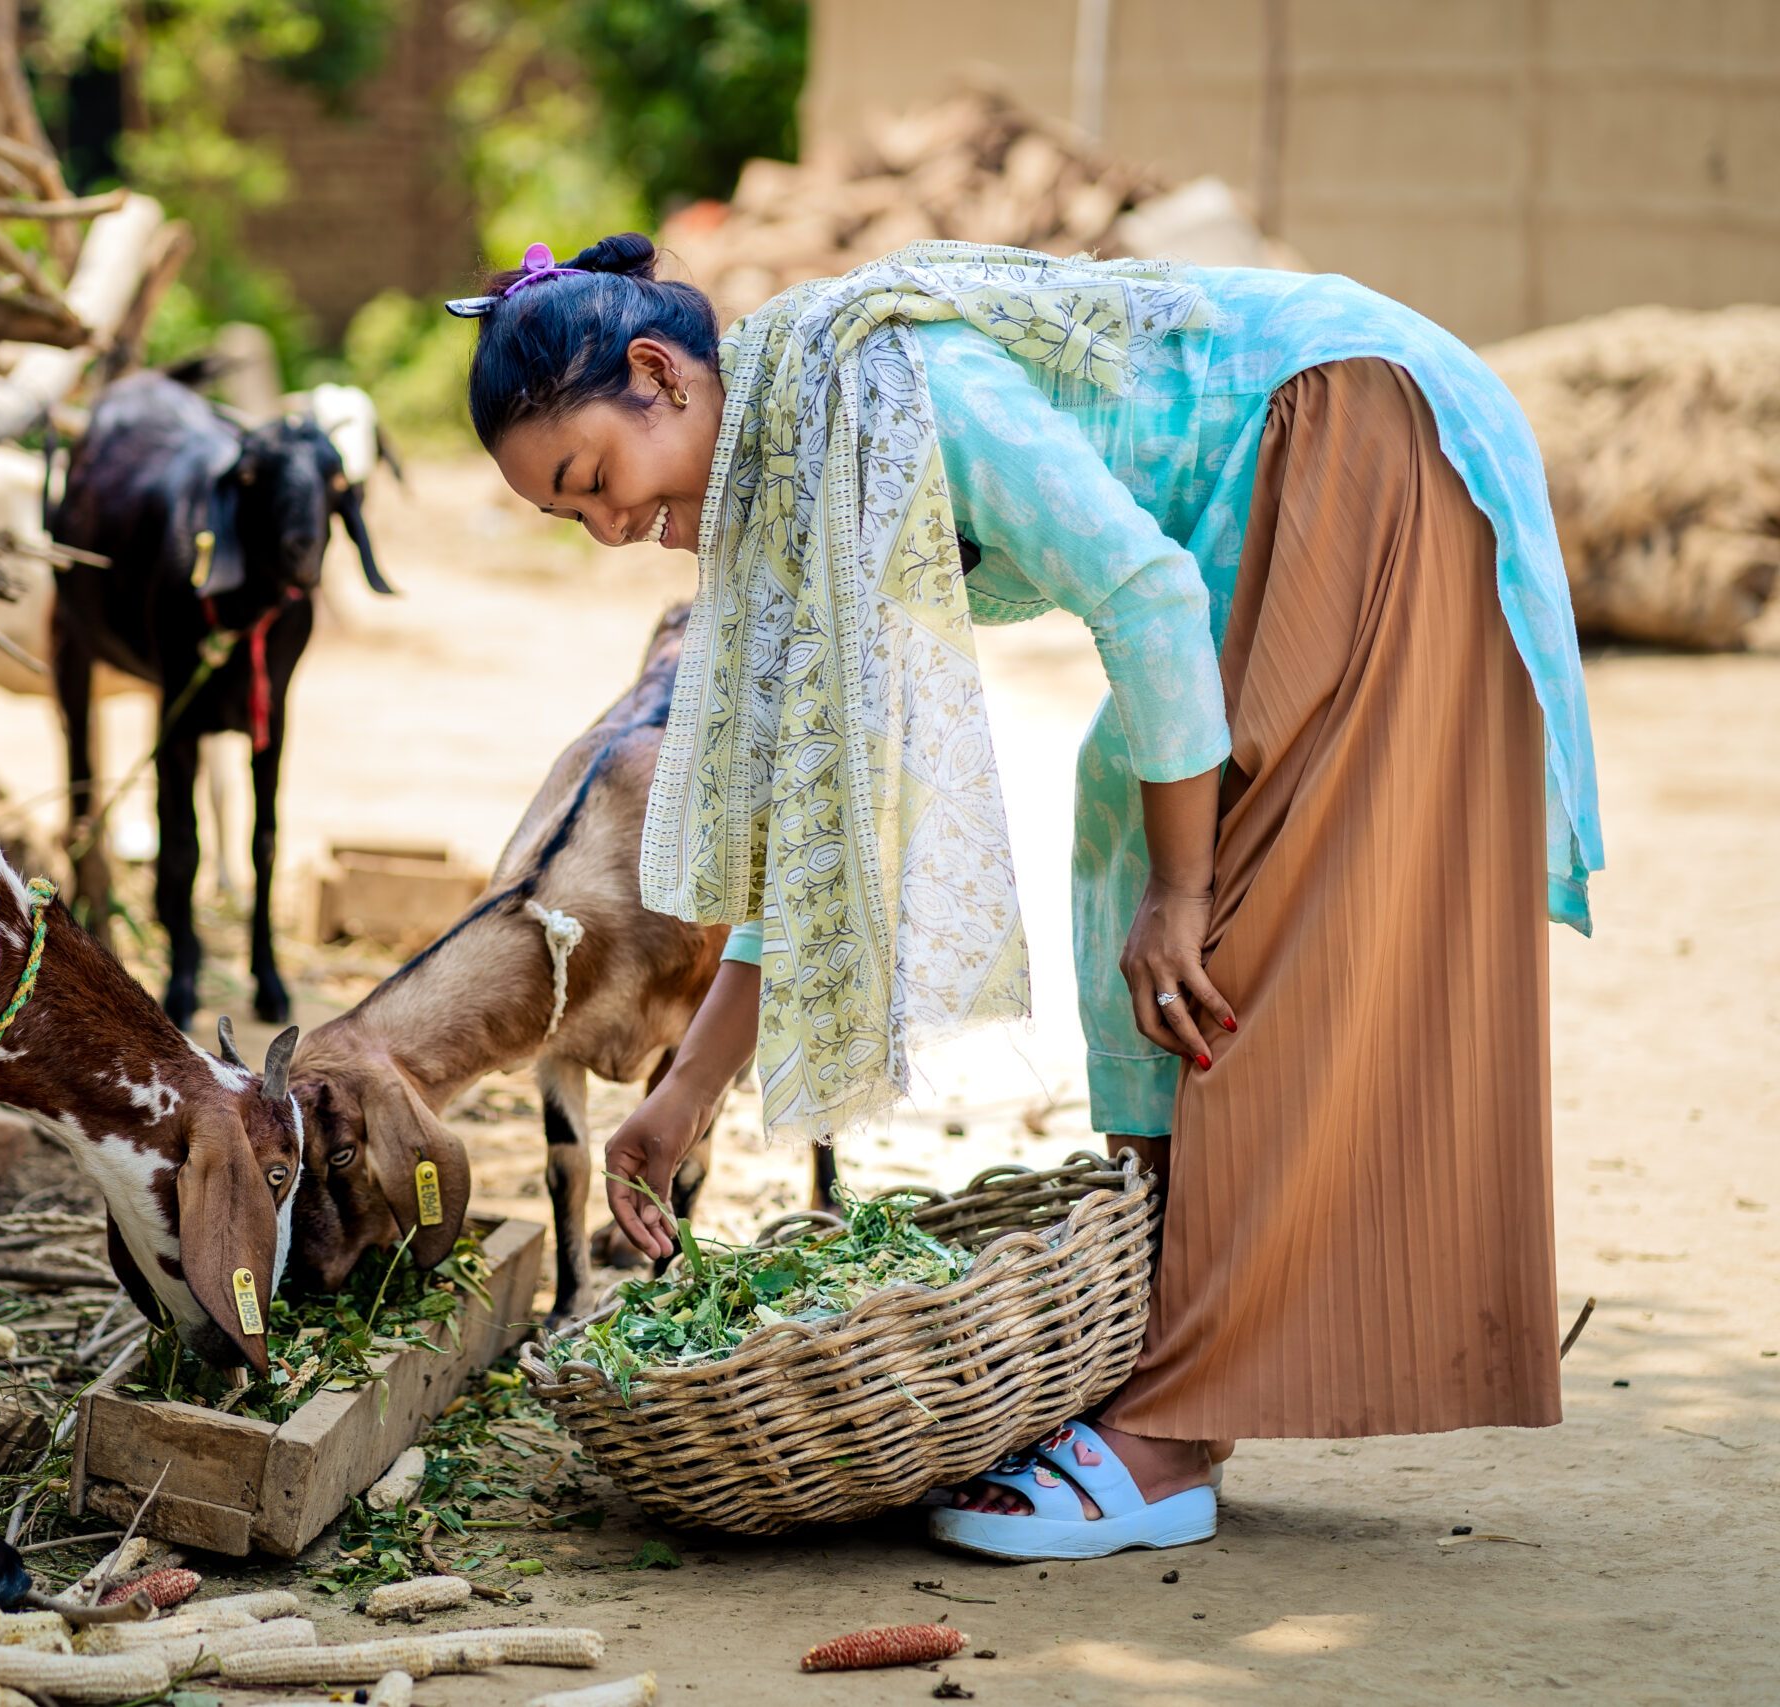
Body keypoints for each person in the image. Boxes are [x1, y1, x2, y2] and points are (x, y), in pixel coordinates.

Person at [444, 235, 1600, 1561]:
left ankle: (1173, 1437)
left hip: (1348, 424)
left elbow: (1146, 591)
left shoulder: (893, 389)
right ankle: (1169, 1365)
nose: (605, 531)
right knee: (1132, 809)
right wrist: (689, 1090)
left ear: (660, 375)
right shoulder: (787, 503)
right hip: (1274, 480)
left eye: (594, 479)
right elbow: (826, 818)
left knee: (1229, 892)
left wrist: (1182, 889)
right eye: (565, 517)